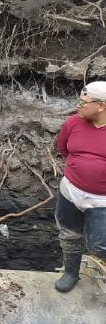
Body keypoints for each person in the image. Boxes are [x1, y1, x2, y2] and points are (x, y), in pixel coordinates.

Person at [53, 81, 106, 293]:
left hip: (102, 200)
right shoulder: (73, 123)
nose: (78, 106)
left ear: (101, 105)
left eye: (83, 102)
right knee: (69, 234)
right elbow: (63, 149)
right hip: (71, 192)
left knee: (100, 245)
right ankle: (71, 273)